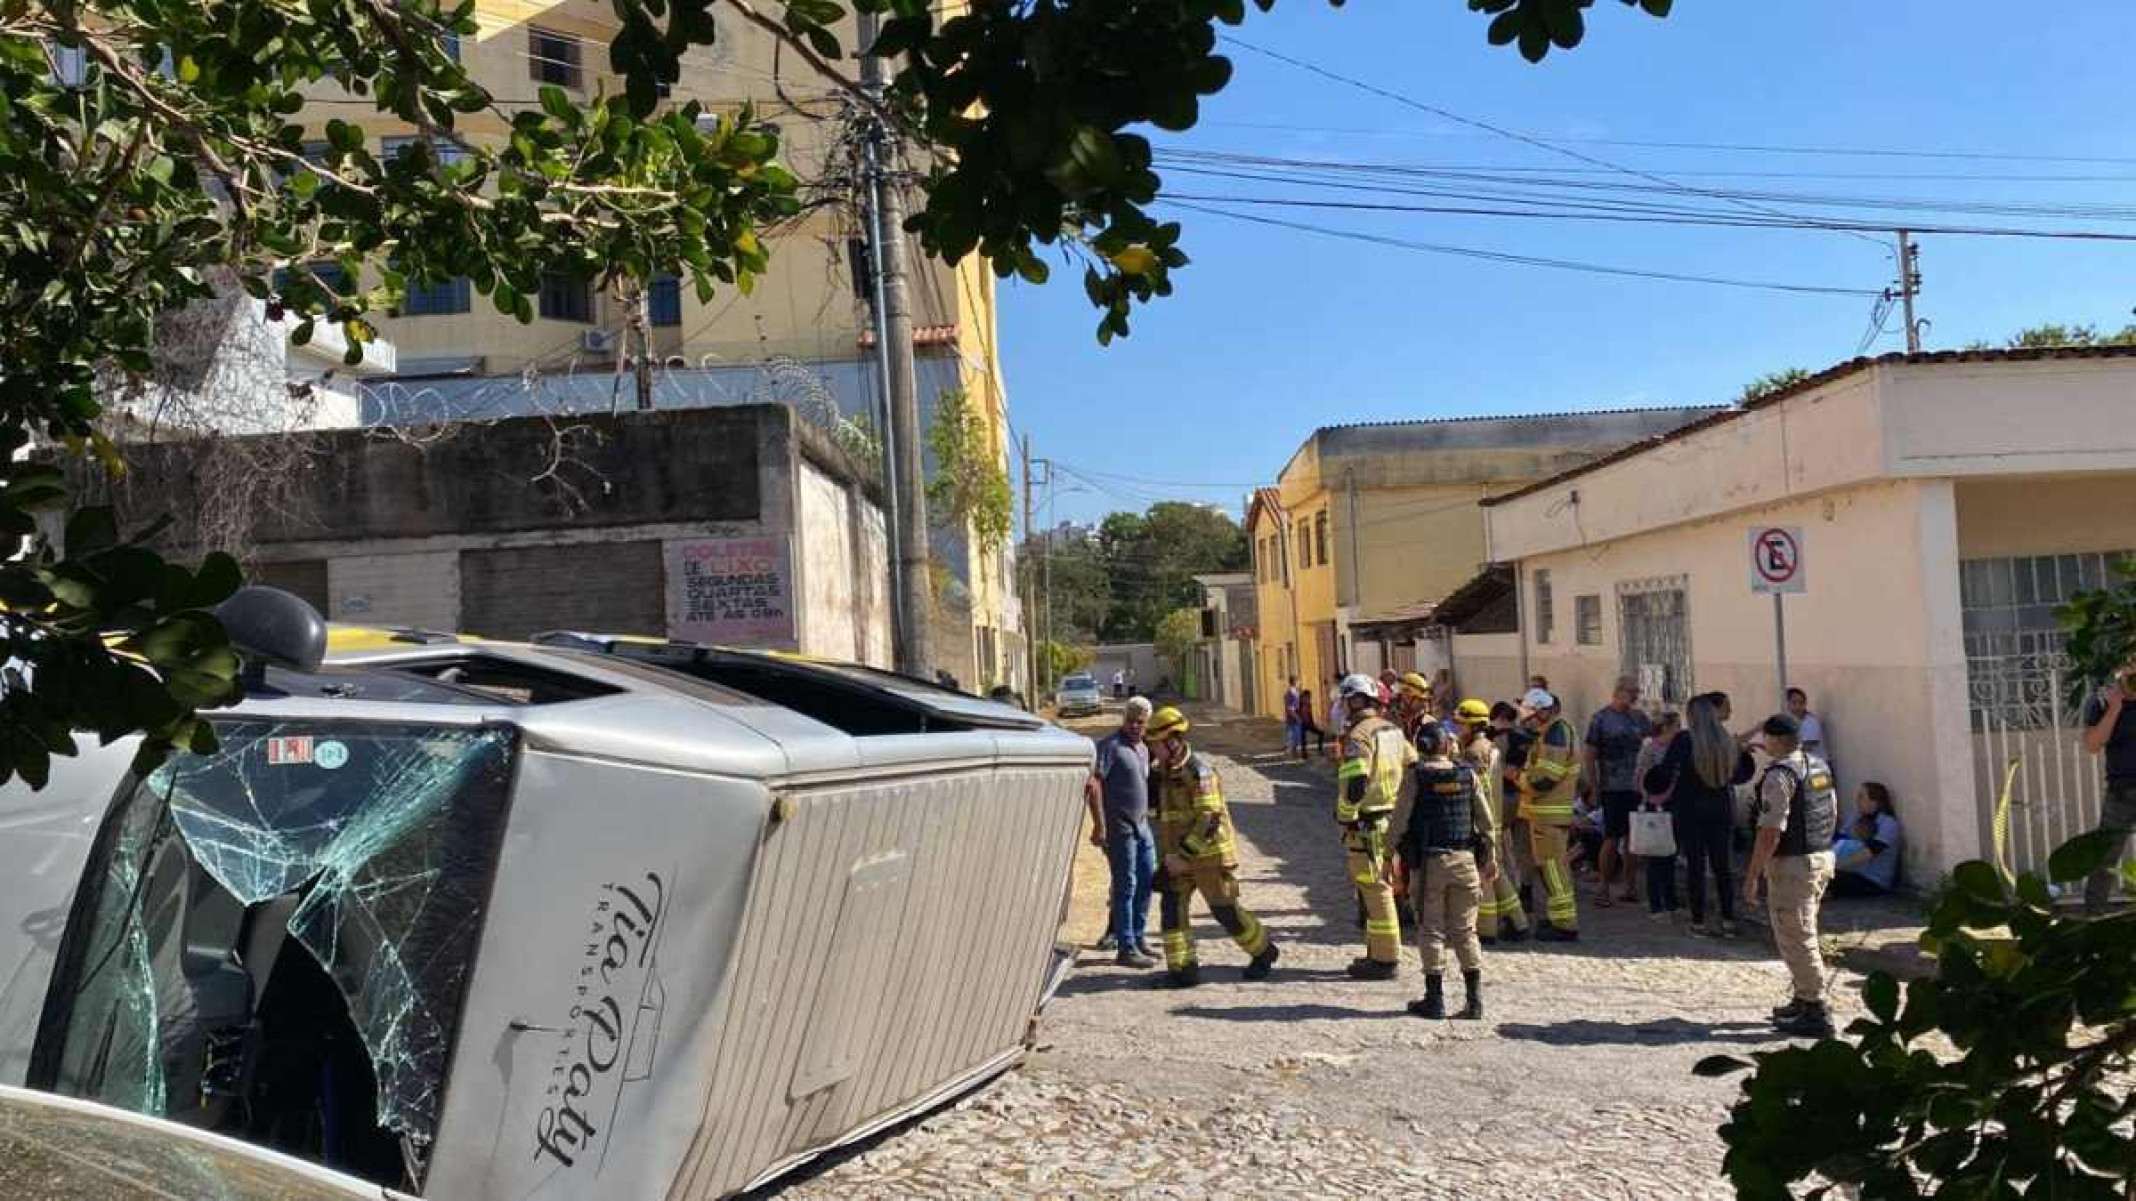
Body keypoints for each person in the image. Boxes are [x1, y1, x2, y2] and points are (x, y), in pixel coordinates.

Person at [1145, 706, 1279, 987]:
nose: (1152, 751)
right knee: (1171, 908)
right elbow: (1164, 819)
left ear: (1172, 741)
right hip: (1177, 859)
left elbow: (1209, 819)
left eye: (1155, 744)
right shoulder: (1164, 774)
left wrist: (1183, 857)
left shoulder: (1200, 772)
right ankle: (1182, 970)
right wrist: (1166, 858)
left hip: (1208, 857)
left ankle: (1264, 951)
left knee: (1225, 911)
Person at [1742, 713, 1841, 1037]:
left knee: (1797, 937)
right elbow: (1831, 809)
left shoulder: (1780, 775)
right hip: (1820, 855)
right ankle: (1802, 997)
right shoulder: (1818, 766)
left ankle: (1815, 1008)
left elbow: (1770, 830)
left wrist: (1753, 874)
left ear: (1773, 740)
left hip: (1793, 864)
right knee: (1799, 931)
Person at [1395, 722, 1495, 1019]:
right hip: (1465, 861)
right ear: (1446, 745)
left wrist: (1387, 856)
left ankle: (1435, 999)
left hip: (1430, 865)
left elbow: (1400, 821)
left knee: (1432, 929)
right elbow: (1487, 822)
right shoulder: (1467, 775)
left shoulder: (1416, 777)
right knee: (1465, 931)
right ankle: (1474, 1001)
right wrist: (1491, 857)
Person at [1646, 694, 1754, 937]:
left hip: (1690, 808)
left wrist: (1651, 781)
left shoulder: (1685, 740)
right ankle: (1727, 920)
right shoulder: (1725, 740)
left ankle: (1698, 921)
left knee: (1696, 865)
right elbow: (1739, 776)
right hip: (1721, 807)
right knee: (1722, 866)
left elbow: (1665, 772)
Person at [1336, 672, 1414, 978]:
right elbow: (1413, 765)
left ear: (1356, 701)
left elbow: (1356, 782)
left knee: (1374, 889)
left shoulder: (1359, 736)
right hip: (1392, 820)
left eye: (1345, 700)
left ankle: (1385, 959)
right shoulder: (1392, 730)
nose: (1343, 706)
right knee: (1382, 886)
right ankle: (1377, 951)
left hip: (1367, 823)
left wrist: (1345, 815)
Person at [1084, 697, 1157, 965]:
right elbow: (1094, 785)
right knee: (1126, 886)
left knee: (1147, 881)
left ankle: (1138, 938)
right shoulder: (1110, 747)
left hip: (1143, 827)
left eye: (1141, 722)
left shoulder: (1144, 750)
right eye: (1131, 721)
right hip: (1120, 829)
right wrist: (1099, 825)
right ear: (1123, 719)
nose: (1135, 726)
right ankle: (1125, 947)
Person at [1455, 698, 1528, 943]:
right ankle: (1519, 922)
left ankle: (1486, 930)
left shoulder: (1474, 753)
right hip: (1494, 820)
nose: (1458, 729)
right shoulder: (1491, 747)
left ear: (1472, 726)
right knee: (1497, 874)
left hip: (1479, 823)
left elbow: (1469, 791)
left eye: (1461, 725)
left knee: (1483, 876)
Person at [1513, 688, 1581, 941]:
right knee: (1552, 868)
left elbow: (1545, 778)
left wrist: (1518, 778)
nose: (1529, 720)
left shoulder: (1555, 733)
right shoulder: (1556, 730)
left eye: (1532, 714)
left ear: (1543, 711)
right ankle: (1558, 918)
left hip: (1548, 814)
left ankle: (1564, 923)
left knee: (1553, 869)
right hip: (1548, 814)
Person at [1584, 676, 1653, 910]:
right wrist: (1594, 785)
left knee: (1633, 838)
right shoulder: (1601, 719)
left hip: (1636, 786)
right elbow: (1590, 754)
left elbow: (1651, 745)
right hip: (1613, 785)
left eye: (1637, 691)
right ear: (1619, 691)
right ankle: (1603, 885)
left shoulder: (1640, 718)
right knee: (1611, 836)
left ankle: (1630, 885)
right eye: (1631, 691)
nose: (1635, 696)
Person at [2080, 663, 2136, 915]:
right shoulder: (2102, 702)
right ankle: (2094, 916)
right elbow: (2092, 744)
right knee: (2104, 858)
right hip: (2121, 793)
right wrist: (2115, 707)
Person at [1634, 712, 1684, 917]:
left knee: (1670, 853)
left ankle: (1671, 902)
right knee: (1655, 855)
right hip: (1656, 805)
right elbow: (1641, 777)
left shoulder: (1678, 749)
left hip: (1675, 804)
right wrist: (1653, 797)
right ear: (1666, 727)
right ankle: (1656, 904)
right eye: (1677, 726)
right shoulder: (1650, 749)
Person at [1830, 782, 1902, 897]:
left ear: (1874, 802)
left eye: (1861, 796)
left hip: (1872, 880)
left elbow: (1868, 853)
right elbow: (1838, 840)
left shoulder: (1888, 824)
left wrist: (1831, 868)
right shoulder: (1856, 817)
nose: (1857, 800)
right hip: (1850, 871)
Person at [1785, 687, 1827, 759]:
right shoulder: (1789, 722)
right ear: (1787, 704)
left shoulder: (1811, 722)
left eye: (1801, 703)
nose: (1798, 706)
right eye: (1794, 703)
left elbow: (1809, 745)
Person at [1394, 672, 1436, 742]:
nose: (1424, 705)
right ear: (1406, 697)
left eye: (1425, 700)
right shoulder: (1389, 720)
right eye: (1420, 700)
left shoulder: (1429, 722)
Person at [1296, 686, 1327, 758]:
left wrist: (1313, 724)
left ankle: (1320, 749)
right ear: (1303, 697)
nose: (1308, 698)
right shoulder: (1299, 704)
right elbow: (1297, 713)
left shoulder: (1308, 704)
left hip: (1309, 724)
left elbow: (1310, 714)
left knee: (1321, 733)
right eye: (1307, 697)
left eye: (1309, 697)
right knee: (1303, 739)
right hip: (1302, 724)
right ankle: (1304, 753)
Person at [1283, 676, 1304, 760]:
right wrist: (1297, 717)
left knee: (1296, 736)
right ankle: (1292, 754)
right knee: (1293, 736)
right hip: (1293, 717)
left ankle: (1294, 753)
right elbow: (1290, 708)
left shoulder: (1295, 692)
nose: (1300, 683)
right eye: (1298, 681)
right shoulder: (1290, 693)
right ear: (1295, 682)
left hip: (1295, 716)